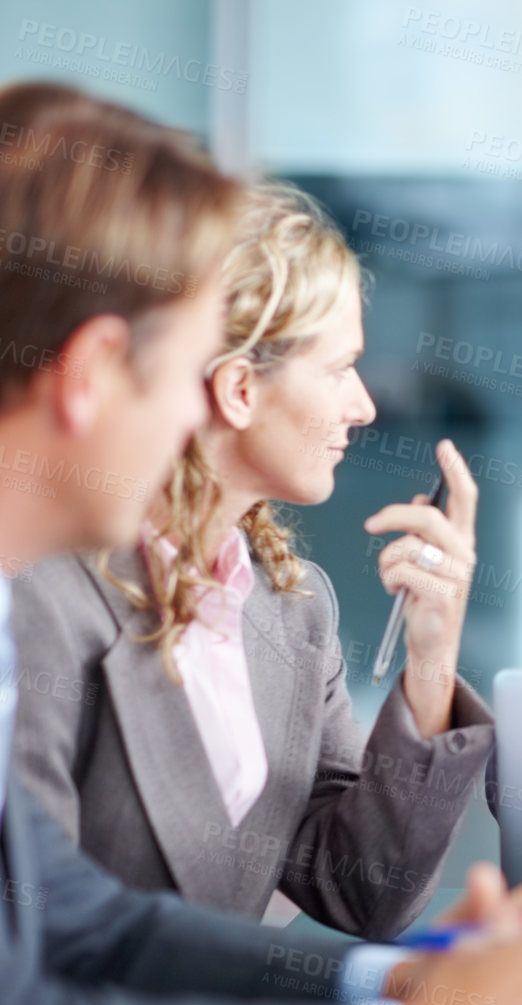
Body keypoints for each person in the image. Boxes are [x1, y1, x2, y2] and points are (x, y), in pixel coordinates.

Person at [0, 81, 522, 1005]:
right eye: (185, 370)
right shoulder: (40, 602)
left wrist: (429, 982)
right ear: (105, 372)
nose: (195, 407)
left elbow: (87, 920)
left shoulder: (282, 604)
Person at [10, 180, 492, 939]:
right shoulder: (44, 595)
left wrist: (432, 659)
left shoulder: (293, 609)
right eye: (340, 368)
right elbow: (51, 952)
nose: (363, 406)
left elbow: (362, 890)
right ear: (239, 388)